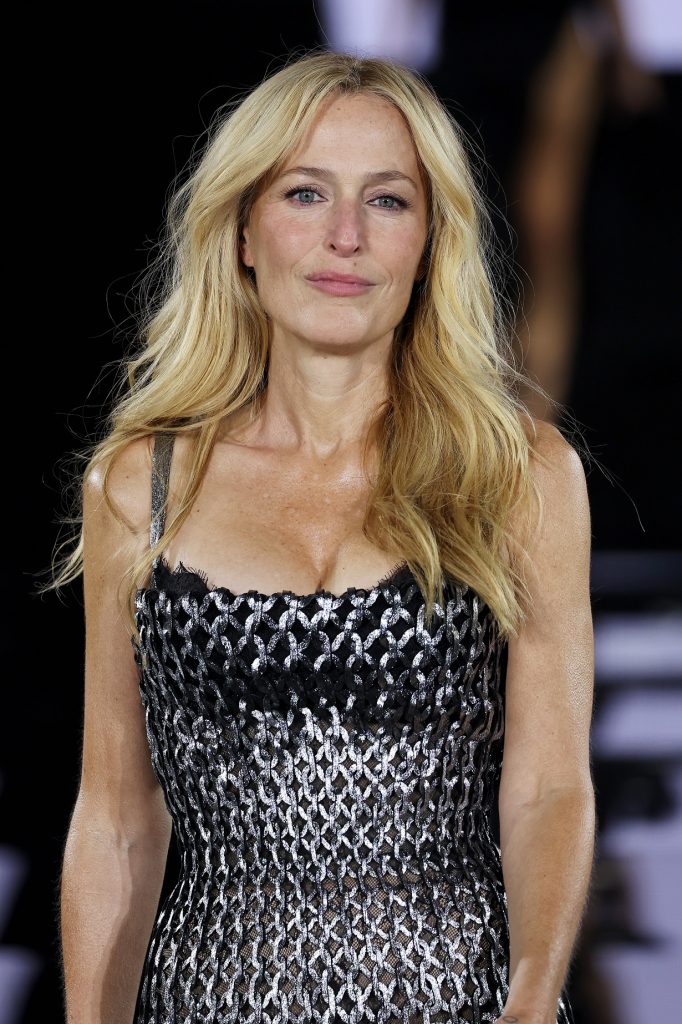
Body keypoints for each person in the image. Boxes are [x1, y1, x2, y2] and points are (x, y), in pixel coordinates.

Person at [52, 49, 596, 1024]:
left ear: (429, 244)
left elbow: (549, 790)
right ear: (242, 230)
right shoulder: (139, 485)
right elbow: (117, 819)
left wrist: (528, 1005)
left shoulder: (520, 475)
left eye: (387, 201)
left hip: (463, 1006)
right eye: (305, 193)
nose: (345, 236)